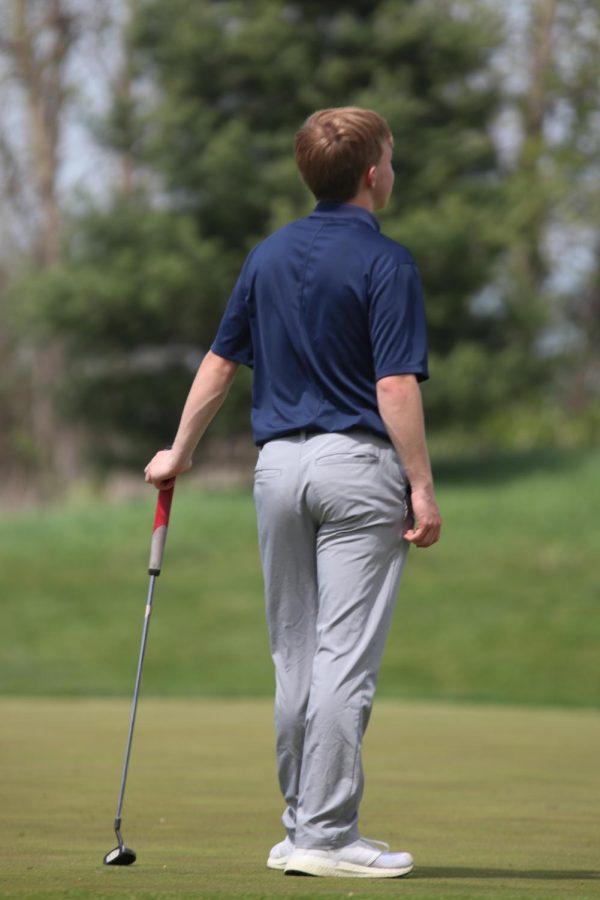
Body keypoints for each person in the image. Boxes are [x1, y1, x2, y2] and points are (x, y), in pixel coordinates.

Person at [144, 106, 442, 879]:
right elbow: (394, 384)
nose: (393, 170)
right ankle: (327, 836)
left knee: (296, 656)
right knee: (343, 660)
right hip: (355, 469)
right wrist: (422, 486)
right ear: (372, 174)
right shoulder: (390, 262)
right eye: (392, 159)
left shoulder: (268, 255)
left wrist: (177, 451)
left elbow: (218, 364)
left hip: (278, 471)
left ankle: (299, 825)